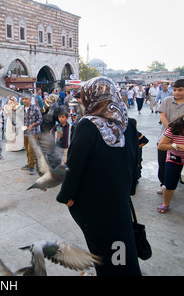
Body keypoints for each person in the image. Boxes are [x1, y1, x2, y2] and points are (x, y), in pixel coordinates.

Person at [56, 76, 142, 276]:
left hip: (94, 202)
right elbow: (134, 161)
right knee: (120, 242)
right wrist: (128, 190)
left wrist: (66, 196)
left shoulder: (87, 124)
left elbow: (74, 166)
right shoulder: (127, 123)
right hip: (119, 199)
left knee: (104, 246)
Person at [156, 79, 184, 194]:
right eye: (174, 90)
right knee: (164, 162)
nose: (176, 92)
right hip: (166, 136)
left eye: (180, 90)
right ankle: (163, 183)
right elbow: (162, 116)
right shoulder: (167, 100)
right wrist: (172, 128)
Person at [156, 113, 184, 213]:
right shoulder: (172, 130)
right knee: (169, 184)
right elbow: (161, 146)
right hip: (175, 159)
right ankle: (165, 203)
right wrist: (177, 146)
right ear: (183, 125)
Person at [21, 92, 43, 175]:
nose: (24, 100)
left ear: (30, 99)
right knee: (27, 148)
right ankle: (29, 163)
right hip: (25, 132)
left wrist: (33, 125)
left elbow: (40, 120)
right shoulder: (22, 108)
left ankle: (31, 167)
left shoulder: (35, 108)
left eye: (26, 99)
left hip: (33, 132)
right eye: (23, 99)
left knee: (31, 149)